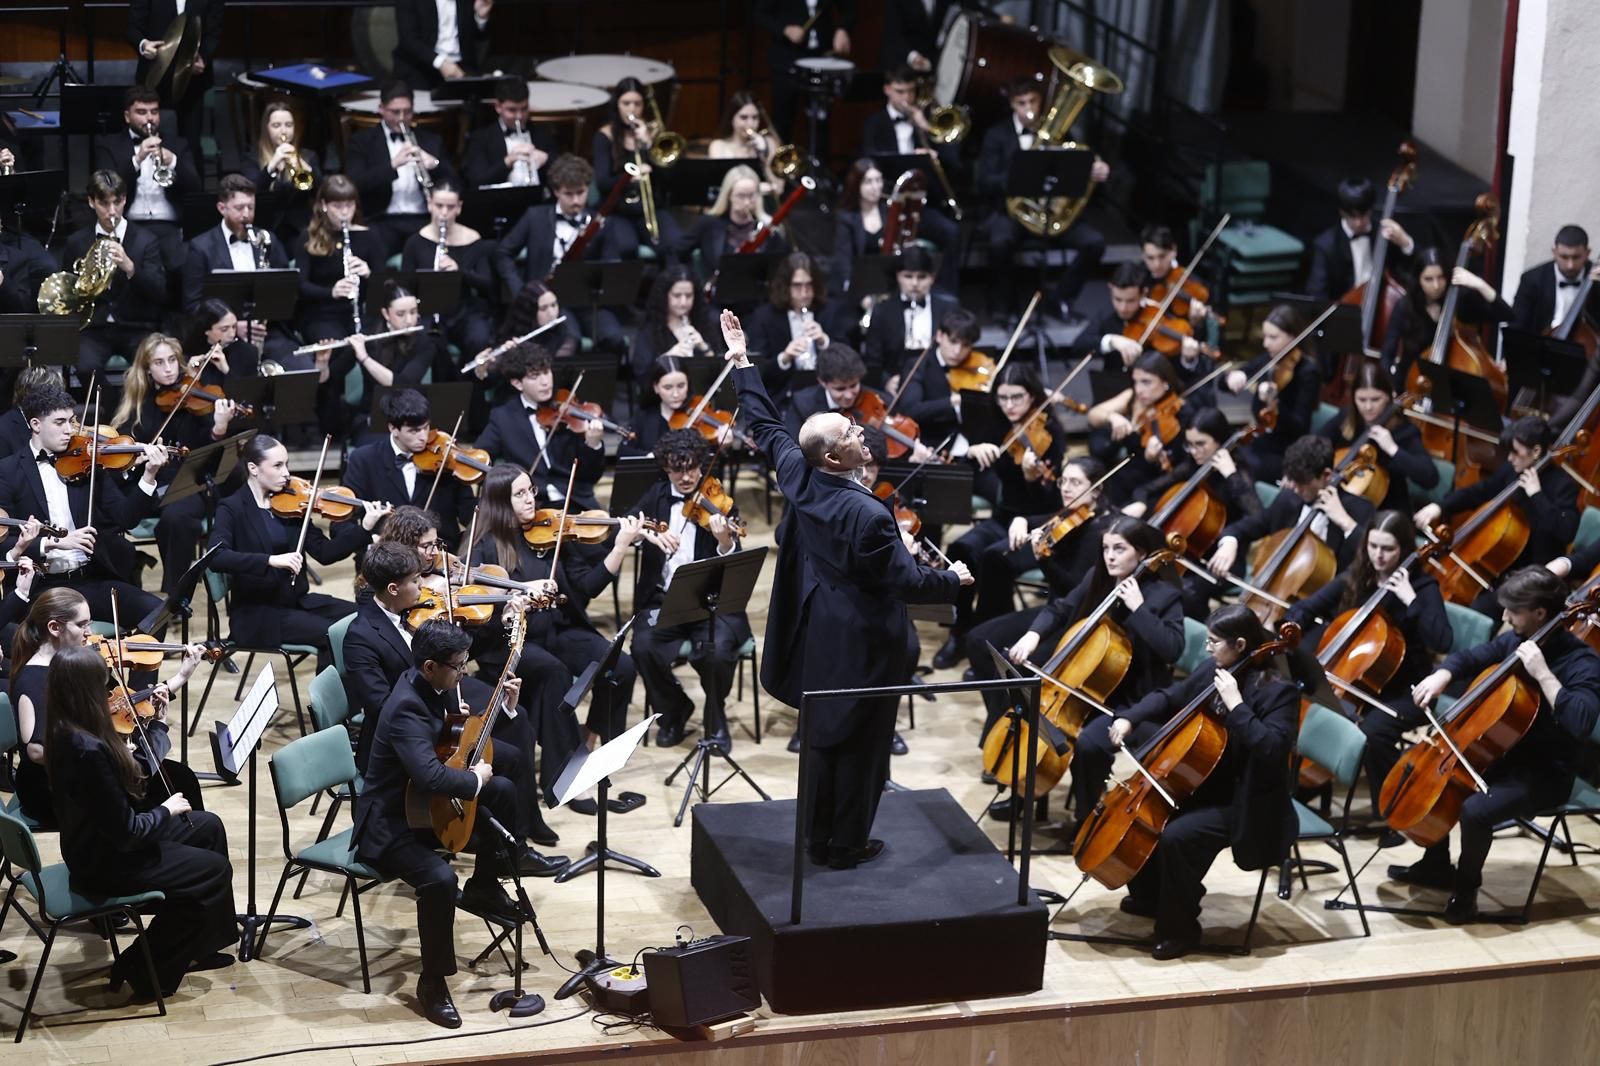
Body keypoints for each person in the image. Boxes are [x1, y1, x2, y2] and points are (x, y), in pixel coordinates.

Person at [724, 307, 969, 869]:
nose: (861, 429)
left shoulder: (799, 475)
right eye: (852, 432)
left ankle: (815, 837)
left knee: (822, 741)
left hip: (820, 628)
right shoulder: (871, 514)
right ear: (835, 456)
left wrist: (742, 361)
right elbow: (906, 582)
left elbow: (765, 425)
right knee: (861, 747)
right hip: (864, 638)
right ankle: (845, 844)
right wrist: (951, 579)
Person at [342, 542, 567, 872]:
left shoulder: (418, 615)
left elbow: (444, 666)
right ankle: (495, 841)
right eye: (415, 581)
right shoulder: (360, 636)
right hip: (409, 739)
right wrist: (445, 709)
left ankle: (514, 838)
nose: (423, 587)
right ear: (393, 589)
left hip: (437, 715)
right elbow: (381, 705)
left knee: (514, 754)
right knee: (495, 776)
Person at [1396, 566, 1600, 922]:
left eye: (1513, 611)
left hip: (1546, 772)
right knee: (1443, 782)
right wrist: (1443, 674)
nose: (1504, 617)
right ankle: (1436, 865)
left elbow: (1581, 721)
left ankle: (1466, 891)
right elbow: (1474, 655)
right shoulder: (1518, 640)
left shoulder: (1582, 663)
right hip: (1505, 753)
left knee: (1474, 810)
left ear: (1540, 613)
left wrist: (1542, 673)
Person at [353, 619, 526, 1029]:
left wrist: (504, 711)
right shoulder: (405, 709)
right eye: (458, 665)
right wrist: (472, 780)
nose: (463, 671)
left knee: (502, 790)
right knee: (440, 879)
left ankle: (484, 886)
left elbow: (452, 740)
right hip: (391, 822)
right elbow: (430, 776)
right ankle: (432, 983)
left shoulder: (432, 686)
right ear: (430, 666)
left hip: (423, 805)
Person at [47, 644, 238, 999]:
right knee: (212, 871)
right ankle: (144, 969)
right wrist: (166, 810)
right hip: (105, 861)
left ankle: (203, 942)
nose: (110, 694)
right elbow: (129, 833)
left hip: (97, 842)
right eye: (103, 687)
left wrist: (156, 728)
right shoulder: (86, 749)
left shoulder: (68, 725)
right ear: (87, 691)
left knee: (208, 826)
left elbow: (129, 782)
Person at [1112, 605, 1298, 959]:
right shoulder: (1216, 669)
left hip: (1248, 799)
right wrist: (1130, 719)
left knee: (1179, 836)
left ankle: (1180, 929)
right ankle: (1152, 897)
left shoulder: (1278, 691)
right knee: (1153, 815)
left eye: (1214, 642)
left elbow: (1272, 750)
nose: (1207, 648)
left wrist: (1237, 705)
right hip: (1208, 783)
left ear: (1241, 644)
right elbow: (1170, 696)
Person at [464, 465, 643, 789]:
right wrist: (517, 597)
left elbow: (586, 586)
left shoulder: (551, 532)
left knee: (623, 664)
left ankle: (588, 738)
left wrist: (620, 547)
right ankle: (563, 777)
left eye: (531, 490)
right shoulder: (486, 546)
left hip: (559, 630)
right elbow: (478, 608)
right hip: (511, 641)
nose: (531, 499)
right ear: (500, 501)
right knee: (554, 671)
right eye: (519, 494)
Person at [999, 517, 1185, 827]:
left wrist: (1139, 609)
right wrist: (1033, 635)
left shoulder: (1164, 595)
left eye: (1119, 549)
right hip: (1088, 685)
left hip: (1133, 698)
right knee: (1031, 707)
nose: (1110, 556)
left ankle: (1086, 822)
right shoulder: (1098, 577)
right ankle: (1020, 794)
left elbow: (1173, 648)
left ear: (1140, 553)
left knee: (1090, 745)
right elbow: (1060, 607)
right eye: (1106, 549)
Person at [1284, 509, 1453, 841]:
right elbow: (1309, 605)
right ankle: (1300, 788)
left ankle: (1390, 810)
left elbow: (1443, 640)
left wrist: (1411, 600)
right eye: (1373, 546)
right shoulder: (1360, 574)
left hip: (1408, 688)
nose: (1378, 555)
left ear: (1404, 548)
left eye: (1387, 549)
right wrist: (1293, 623)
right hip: (1361, 681)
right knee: (1299, 701)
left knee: (1374, 735)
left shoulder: (1423, 585)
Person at [206, 434, 387, 671]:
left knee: (364, 616)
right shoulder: (232, 508)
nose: (287, 473)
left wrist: (364, 528)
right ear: (253, 468)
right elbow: (217, 557)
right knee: (332, 635)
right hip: (259, 614)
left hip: (297, 601)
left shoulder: (292, 505)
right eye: (278, 466)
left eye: (287, 464)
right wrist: (271, 561)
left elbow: (325, 552)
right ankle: (331, 703)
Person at [965, 458, 1111, 745]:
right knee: (977, 640)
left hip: (1075, 623)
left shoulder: (1102, 531)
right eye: (1063, 481)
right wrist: (1020, 519)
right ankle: (1003, 720)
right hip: (1052, 612)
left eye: (1076, 483)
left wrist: (1044, 560)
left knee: (1011, 665)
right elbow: (1039, 520)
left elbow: (1072, 591)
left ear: (1096, 490)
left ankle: (1006, 738)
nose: (1067, 488)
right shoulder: (1070, 515)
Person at [0, 384, 170, 624]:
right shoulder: (7, 472)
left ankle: (124, 660)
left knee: (157, 613)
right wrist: (54, 542)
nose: (69, 430)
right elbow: (4, 543)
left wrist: (149, 476)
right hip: (41, 587)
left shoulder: (86, 465)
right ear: (35, 425)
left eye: (72, 421)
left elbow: (126, 517)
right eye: (59, 423)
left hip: (88, 579)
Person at [624, 429, 750, 751]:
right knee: (642, 648)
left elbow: (733, 561)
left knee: (719, 651)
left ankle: (715, 712)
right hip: (662, 600)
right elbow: (628, 527)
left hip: (711, 601)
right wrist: (648, 537)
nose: (686, 476)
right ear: (666, 468)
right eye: (677, 469)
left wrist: (725, 542)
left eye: (692, 468)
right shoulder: (655, 496)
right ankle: (675, 709)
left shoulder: (717, 498)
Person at [934, 364, 1065, 669]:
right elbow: (974, 471)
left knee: (996, 561)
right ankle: (960, 631)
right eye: (1003, 398)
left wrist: (1032, 478)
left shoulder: (1050, 432)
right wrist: (973, 452)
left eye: (1016, 398)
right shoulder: (994, 424)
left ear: (1032, 395)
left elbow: (1051, 500)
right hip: (1003, 518)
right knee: (960, 550)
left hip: (1037, 525)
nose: (1009, 405)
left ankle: (988, 644)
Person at [110, 333, 242, 589]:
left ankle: (175, 593)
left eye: (172, 360)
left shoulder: (195, 394)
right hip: (150, 487)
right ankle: (129, 573)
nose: (169, 368)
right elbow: (123, 449)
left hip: (190, 485)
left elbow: (212, 454)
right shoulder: (138, 404)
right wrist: (140, 459)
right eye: (159, 362)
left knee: (177, 518)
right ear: (147, 368)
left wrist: (218, 429)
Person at [1414, 415, 1579, 617]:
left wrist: (1536, 495)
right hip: (1501, 567)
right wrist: (1441, 507)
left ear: (1536, 451)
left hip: (1533, 576)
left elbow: (1566, 531)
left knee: (1479, 610)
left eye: (1516, 452)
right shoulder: (1513, 470)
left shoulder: (1563, 486)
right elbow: (1480, 491)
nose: (1509, 458)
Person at [976, 77, 1108, 317]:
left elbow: (1080, 163)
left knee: (1094, 242)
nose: (1028, 109)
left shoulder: (1063, 134)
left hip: (1050, 213)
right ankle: (1004, 306)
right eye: (1021, 103)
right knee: (999, 243)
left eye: (1032, 102)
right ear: (1012, 105)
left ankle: (1060, 299)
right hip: (1011, 212)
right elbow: (984, 181)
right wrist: (1020, 174)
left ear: (1041, 102)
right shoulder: (997, 135)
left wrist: (1095, 169)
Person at [1124, 406, 1262, 618]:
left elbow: (1258, 518)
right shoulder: (1193, 466)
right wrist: (1140, 502)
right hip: (1185, 551)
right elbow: (1146, 488)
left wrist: (1231, 475)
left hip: (1222, 559)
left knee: (1188, 593)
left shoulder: (1239, 474)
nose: (1195, 451)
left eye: (1201, 444)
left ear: (1220, 441)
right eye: (1190, 444)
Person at [492, 154, 633, 353]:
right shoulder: (535, 216)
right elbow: (503, 253)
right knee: (568, 342)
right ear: (556, 191)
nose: (576, 201)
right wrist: (522, 292)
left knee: (614, 338)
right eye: (569, 194)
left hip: (587, 301)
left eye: (581, 192)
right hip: (548, 302)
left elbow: (611, 264)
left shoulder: (600, 223)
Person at [1208, 433, 1376, 585]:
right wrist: (1229, 542)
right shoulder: (1288, 499)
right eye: (1293, 480)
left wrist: (1345, 522)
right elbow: (1245, 527)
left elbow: (1371, 559)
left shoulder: (1359, 510)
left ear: (1326, 475)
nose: (1295, 488)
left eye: (1302, 482)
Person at [179, 173, 301, 368]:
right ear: (221, 208)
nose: (246, 214)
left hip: (267, 333)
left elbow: (288, 292)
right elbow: (192, 305)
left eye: (250, 207)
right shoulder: (200, 247)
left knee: (302, 369)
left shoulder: (268, 240)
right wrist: (233, 327)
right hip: (222, 338)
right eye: (239, 208)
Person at [59, 170, 167, 373]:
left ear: (124, 200)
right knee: (85, 366)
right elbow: (68, 295)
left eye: (117, 202)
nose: (112, 211)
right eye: (104, 203)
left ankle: (133, 405)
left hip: (137, 327)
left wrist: (131, 267)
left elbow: (159, 292)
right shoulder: (76, 242)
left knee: (154, 367)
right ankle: (112, 406)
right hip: (94, 329)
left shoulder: (147, 240)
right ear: (91, 202)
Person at [475, 343, 606, 508]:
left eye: (546, 372)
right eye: (534, 376)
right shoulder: (503, 417)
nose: (545, 382)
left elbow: (592, 476)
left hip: (576, 503)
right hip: (533, 506)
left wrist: (593, 445)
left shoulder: (568, 409)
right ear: (517, 383)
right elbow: (481, 458)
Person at [91, 85, 201, 276]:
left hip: (170, 225)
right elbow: (105, 188)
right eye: (141, 112)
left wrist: (174, 161)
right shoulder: (108, 145)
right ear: (127, 116)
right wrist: (137, 159)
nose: (149, 118)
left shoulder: (178, 144)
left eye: (154, 112)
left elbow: (196, 187)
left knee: (183, 267)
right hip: (129, 225)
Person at [344, 388, 477, 543]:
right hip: (388, 555)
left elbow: (468, 511)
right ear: (393, 428)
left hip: (441, 552)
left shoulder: (444, 457)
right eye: (414, 431)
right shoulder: (364, 460)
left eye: (426, 427)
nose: (423, 437)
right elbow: (345, 521)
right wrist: (366, 540)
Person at [344, 82, 457, 258]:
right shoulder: (362, 142)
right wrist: (392, 165)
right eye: (395, 112)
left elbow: (456, 183)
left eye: (408, 111)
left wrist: (434, 164)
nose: (402, 118)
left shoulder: (431, 141)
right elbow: (354, 184)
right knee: (374, 259)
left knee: (432, 260)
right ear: (381, 109)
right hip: (381, 220)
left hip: (422, 219)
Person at [1315, 359, 1437, 514]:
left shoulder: (1404, 431)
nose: (1368, 407)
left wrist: (1392, 449)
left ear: (1389, 396)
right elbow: (1316, 443)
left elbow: (1430, 478)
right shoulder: (1348, 417)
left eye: (1375, 399)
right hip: (1342, 501)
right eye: (1361, 399)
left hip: (1385, 512)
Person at [1216, 303, 1319, 484]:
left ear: (1293, 337)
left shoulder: (1307, 371)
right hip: (1260, 438)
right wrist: (1232, 377)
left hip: (1284, 450)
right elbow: (1224, 385)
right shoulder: (1270, 358)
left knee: (1242, 469)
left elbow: (1300, 426)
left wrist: (1274, 404)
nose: (1265, 343)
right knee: (1221, 455)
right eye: (1265, 336)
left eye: (1273, 337)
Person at [399, 179, 498, 360]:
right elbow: (405, 285)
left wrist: (459, 272)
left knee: (479, 337)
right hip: (429, 309)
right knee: (432, 341)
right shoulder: (415, 242)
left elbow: (486, 283)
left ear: (459, 207)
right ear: (429, 205)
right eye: (439, 206)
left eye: (450, 207)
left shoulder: (473, 238)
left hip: (465, 309)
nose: (444, 213)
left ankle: (473, 384)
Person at [1380, 248, 1510, 380]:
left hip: (1452, 380)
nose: (1436, 285)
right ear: (1418, 279)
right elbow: (1387, 353)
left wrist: (1479, 284)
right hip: (1412, 380)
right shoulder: (1406, 306)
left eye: (1440, 277)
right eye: (1428, 279)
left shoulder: (1460, 302)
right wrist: (1389, 384)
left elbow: (1505, 314)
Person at [591, 77, 683, 257]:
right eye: (626, 103)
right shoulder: (604, 136)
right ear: (617, 104)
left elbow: (668, 180)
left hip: (650, 207)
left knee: (675, 243)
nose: (632, 109)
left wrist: (648, 145)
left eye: (637, 104)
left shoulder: (652, 135)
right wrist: (629, 177)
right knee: (625, 247)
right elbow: (602, 183)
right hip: (618, 210)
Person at [295, 175, 382, 361]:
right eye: (338, 206)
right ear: (324, 205)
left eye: (349, 206)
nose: (344, 213)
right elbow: (301, 285)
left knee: (377, 347)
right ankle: (327, 383)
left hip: (360, 313)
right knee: (338, 348)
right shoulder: (307, 237)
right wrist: (331, 292)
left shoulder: (370, 237)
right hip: (321, 315)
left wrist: (369, 274)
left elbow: (386, 286)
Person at [1085, 350, 1189, 505]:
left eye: (1146, 382)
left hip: (1147, 485)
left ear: (1165, 382)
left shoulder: (1180, 412)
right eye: (1136, 381)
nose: (1139, 389)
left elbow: (1179, 466)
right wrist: (1112, 417)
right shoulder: (1133, 397)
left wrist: (1153, 459)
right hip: (1119, 475)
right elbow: (1093, 414)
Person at [746, 252, 852, 399]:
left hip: (827, 393)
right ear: (785, 287)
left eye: (809, 285)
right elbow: (759, 371)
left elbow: (850, 360)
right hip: (785, 394)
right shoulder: (764, 317)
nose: (804, 293)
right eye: (797, 286)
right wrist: (785, 357)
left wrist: (824, 341)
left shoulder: (830, 310)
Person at [128, 0, 223, 158]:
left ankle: (190, 181)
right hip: (154, 79)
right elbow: (133, 28)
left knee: (191, 146)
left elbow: (214, 32)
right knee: (150, 143)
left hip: (193, 81)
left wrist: (203, 58)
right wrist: (144, 45)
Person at [753, 0, 855, 140]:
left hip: (821, 59)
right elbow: (760, 14)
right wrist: (785, 30)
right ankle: (783, 159)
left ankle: (819, 160)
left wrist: (843, 28)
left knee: (820, 122)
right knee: (783, 119)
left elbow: (850, 8)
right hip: (787, 59)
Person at [1304, 176, 1416, 303]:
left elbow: (1418, 267)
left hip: (1383, 303)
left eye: (1363, 215)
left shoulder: (1384, 233)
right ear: (1341, 212)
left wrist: (1405, 242)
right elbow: (1317, 295)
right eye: (1352, 216)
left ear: (1371, 210)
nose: (1358, 223)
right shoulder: (1325, 245)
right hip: (1346, 313)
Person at [860, 245, 957, 387]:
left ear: (932, 278)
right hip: (897, 382)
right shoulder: (882, 311)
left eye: (922, 277)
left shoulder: (948, 308)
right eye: (908, 276)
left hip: (941, 382)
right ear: (898, 276)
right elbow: (873, 360)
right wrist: (886, 381)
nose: (915, 283)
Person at [684, 164, 785, 296]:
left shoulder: (766, 228)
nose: (747, 202)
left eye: (752, 196)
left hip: (757, 300)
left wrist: (773, 237)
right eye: (741, 196)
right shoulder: (708, 224)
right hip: (717, 299)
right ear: (729, 196)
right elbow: (678, 251)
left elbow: (782, 265)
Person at [346, 280, 445, 414]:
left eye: (413, 312)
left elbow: (403, 384)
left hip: (410, 415)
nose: (409, 320)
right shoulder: (368, 338)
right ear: (386, 314)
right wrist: (322, 361)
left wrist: (365, 358)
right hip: (372, 414)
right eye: (400, 314)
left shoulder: (426, 341)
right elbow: (332, 373)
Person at [893, 305, 985, 445]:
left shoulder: (978, 365)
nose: (957, 351)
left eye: (965, 345)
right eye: (953, 342)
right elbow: (911, 409)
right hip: (934, 443)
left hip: (974, 441)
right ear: (940, 336)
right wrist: (954, 400)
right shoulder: (918, 365)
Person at [629, 265, 724, 385]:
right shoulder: (650, 330)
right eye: (677, 296)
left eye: (689, 296)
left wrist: (705, 348)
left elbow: (721, 375)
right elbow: (642, 378)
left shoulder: (707, 323)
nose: (683, 303)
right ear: (665, 296)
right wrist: (668, 358)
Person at [243, 99, 321, 245]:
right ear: (266, 128)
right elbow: (250, 192)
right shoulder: (252, 158)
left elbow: (322, 191)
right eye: (276, 126)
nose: (283, 131)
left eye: (289, 125)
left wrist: (305, 167)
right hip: (267, 228)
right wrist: (271, 166)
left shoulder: (308, 156)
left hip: (300, 230)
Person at [463, 77, 555, 189]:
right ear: (498, 107)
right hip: (497, 203)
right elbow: (476, 181)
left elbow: (564, 175)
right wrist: (507, 161)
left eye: (524, 109)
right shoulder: (481, 138)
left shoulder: (542, 133)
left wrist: (546, 159)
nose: (519, 116)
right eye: (512, 110)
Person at [1508, 224, 1600, 336]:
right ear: (1554, 252)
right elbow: (1516, 328)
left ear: (1587, 253)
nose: (1570, 265)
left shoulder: (1597, 280)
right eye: (1564, 257)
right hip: (1542, 349)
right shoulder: (1532, 280)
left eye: (1576, 257)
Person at [393, 0, 493, 89]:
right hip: (422, 67)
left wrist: (480, 18)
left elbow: (474, 38)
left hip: (461, 67)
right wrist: (441, 63)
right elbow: (408, 40)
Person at [706, 91, 786, 192]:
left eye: (755, 117)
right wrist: (761, 187)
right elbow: (723, 189)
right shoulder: (719, 146)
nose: (750, 124)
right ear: (732, 118)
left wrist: (765, 154)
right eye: (743, 117)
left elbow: (779, 188)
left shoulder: (769, 143)